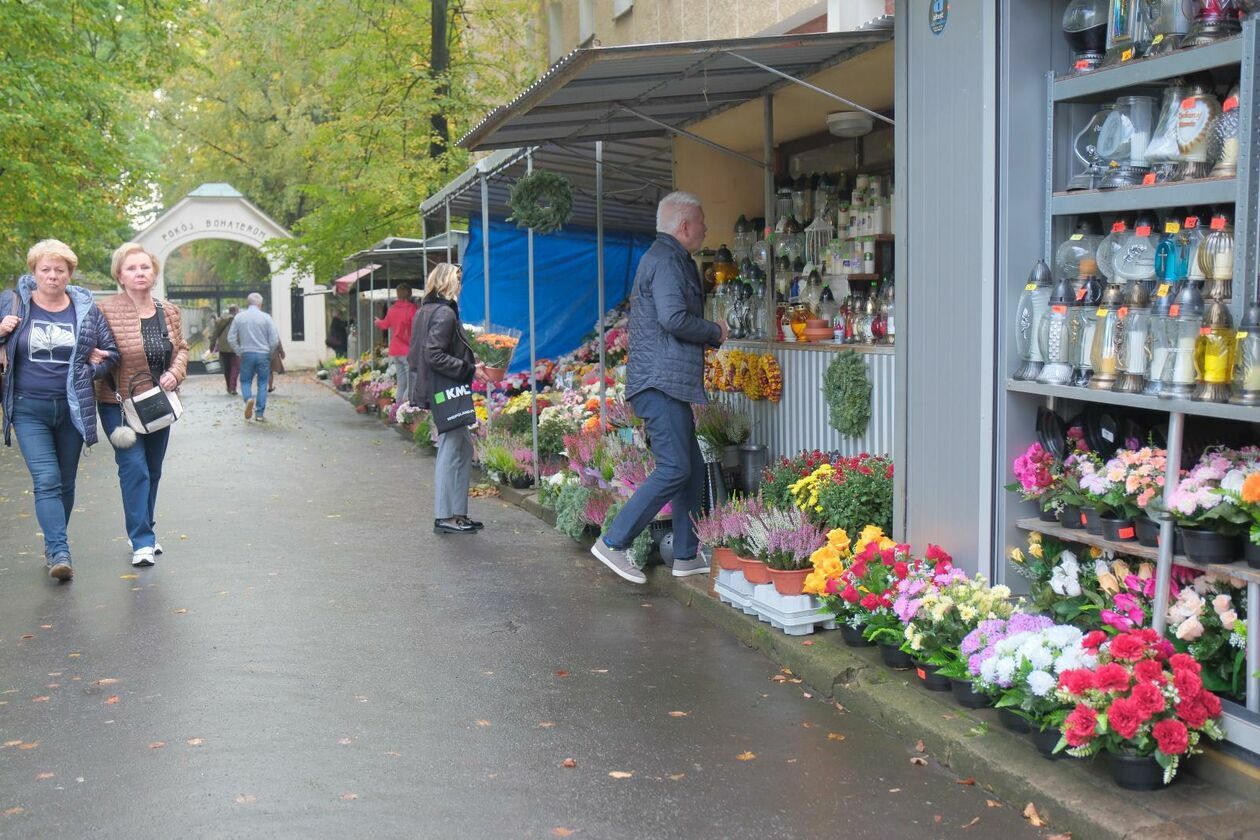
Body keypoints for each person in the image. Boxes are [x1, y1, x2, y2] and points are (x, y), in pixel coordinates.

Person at [590, 192, 728, 584]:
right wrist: (715, 331)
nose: (705, 229)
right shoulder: (667, 260)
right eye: (701, 223)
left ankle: (685, 555)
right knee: (675, 467)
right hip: (659, 382)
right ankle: (613, 542)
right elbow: (673, 318)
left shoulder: (666, 257)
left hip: (665, 381)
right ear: (684, 227)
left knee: (692, 468)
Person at [0, 240, 119, 581]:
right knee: (47, 480)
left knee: (66, 483)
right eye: (45, 269)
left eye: (59, 270)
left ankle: (54, 544)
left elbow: (110, 354)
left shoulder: (86, 310)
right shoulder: (13, 304)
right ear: (34, 272)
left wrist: (94, 364)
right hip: (27, 408)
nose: (52, 276)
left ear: (70, 274)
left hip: (72, 408)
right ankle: (59, 551)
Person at [95, 243, 189, 568]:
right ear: (120, 275)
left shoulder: (169, 311)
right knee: (133, 469)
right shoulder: (104, 311)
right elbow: (92, 352)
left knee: (153, 470)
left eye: (145, 267)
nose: (139, 273)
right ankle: (142, 541)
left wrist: (175, 373)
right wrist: (95, 357)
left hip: (158, 404)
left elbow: (181, 349)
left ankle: (145, 528)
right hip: (118, 406)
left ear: (154, 272)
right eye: (132, 268)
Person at [407, 264, 488, 535]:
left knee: (461, 448)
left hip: (437, 388)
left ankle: (457, 512)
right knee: (450, 450)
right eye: (458, 281)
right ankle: (445, 515)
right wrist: (470, 368)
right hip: (447, 390)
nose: (461, 286)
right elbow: (434, 354)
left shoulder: (426, 310)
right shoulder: (444, 313)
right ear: (446, 283)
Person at [227, 292, 280, 422]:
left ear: (248, 302)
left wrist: (239, 351)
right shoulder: (266, 317)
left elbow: (231, 338)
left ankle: (248, 399)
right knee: (262, 383)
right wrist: (270, 351)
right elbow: (274, 339)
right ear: (260, 304)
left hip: (247, 354)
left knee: (245, 381)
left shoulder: (239, 317)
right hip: (263, 354)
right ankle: (260, 414)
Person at [374, 284, 417, 405]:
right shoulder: (412, 309)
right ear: (410, 294)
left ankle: (398, 409)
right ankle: (406, 407)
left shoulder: (392, 309)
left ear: (397, 294)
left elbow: (384, 325)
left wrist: (378, 321)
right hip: (408, 349)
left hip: (395, 350)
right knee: (411, 382)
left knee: (401, 383)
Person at [208, 304, 240, 394]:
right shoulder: (238, 320)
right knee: (235, 367)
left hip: (223, 347)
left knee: (227, 368)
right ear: (236, 310)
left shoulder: (221, 320)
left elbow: (215, 333)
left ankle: (229, 387)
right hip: (234, 347)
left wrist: (212, 346)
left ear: (229, 310)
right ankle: (233, 387)